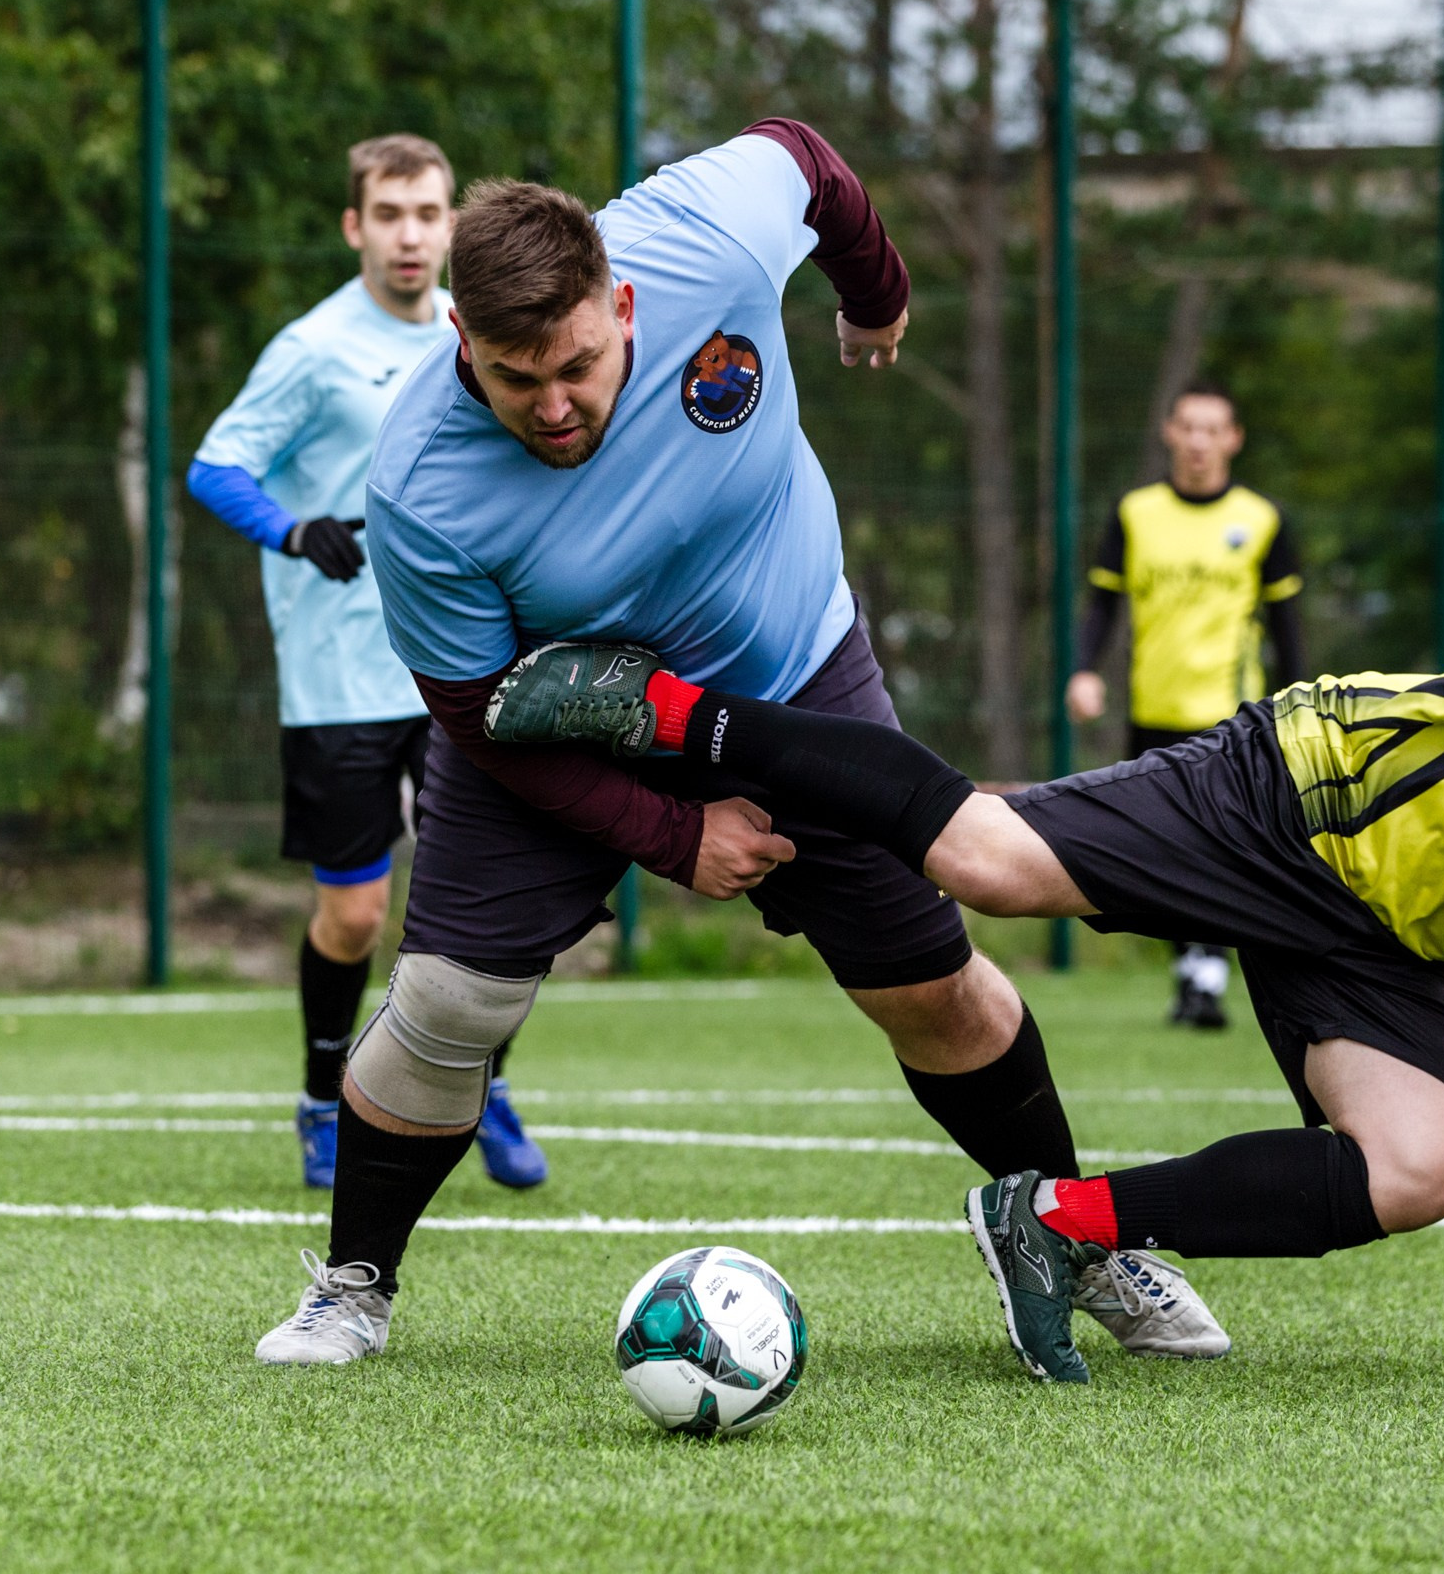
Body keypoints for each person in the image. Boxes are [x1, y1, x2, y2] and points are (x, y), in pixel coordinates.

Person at [490, 540, 1444, 1383]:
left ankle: (1057, 1222)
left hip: (1384, 931)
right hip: (1292, 793)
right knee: (986, 862)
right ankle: (665, 710)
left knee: (1416, 1167)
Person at [252, 120, 1228, 1367]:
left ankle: (1078, 1241)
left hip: (796, 681)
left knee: (938, 990)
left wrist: (876, 297)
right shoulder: (418, 486)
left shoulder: (703, 236)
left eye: (579, 365)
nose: (553, 405)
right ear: (461, 344)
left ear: (623, 299)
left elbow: (807, 155)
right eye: (513, 378)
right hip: (553, 728)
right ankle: (352, 1286)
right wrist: (670, 833)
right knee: (447, 1002)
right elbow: (479, 715)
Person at [187, 134, 545, 1192]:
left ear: (451, 226)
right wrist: (295, 532)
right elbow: (217, 464)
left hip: (465, 671)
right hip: (341, 679)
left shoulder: (475, 339)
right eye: (389, 214)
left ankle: (476, 1084)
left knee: (491, 906)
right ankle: (320, 1093)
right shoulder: (312, 347)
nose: (410, 235)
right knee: (353, 913)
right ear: (355, 226)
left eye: (428, 214)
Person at [1066, 381, 1305, 1029]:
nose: (1199, 442)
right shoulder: (1136, 513)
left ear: (1232, 439)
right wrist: (1084, 671)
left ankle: (1207, 971)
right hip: (1152, 711)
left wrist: (1296, 701)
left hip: (1232, 716)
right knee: (1159, 851)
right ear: (1169, 433)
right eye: (1188, 428)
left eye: (1212, 429)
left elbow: (1286, 626)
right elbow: (1102, 603)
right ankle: (1191, 971)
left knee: (1227, 848)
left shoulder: (1260, 520)